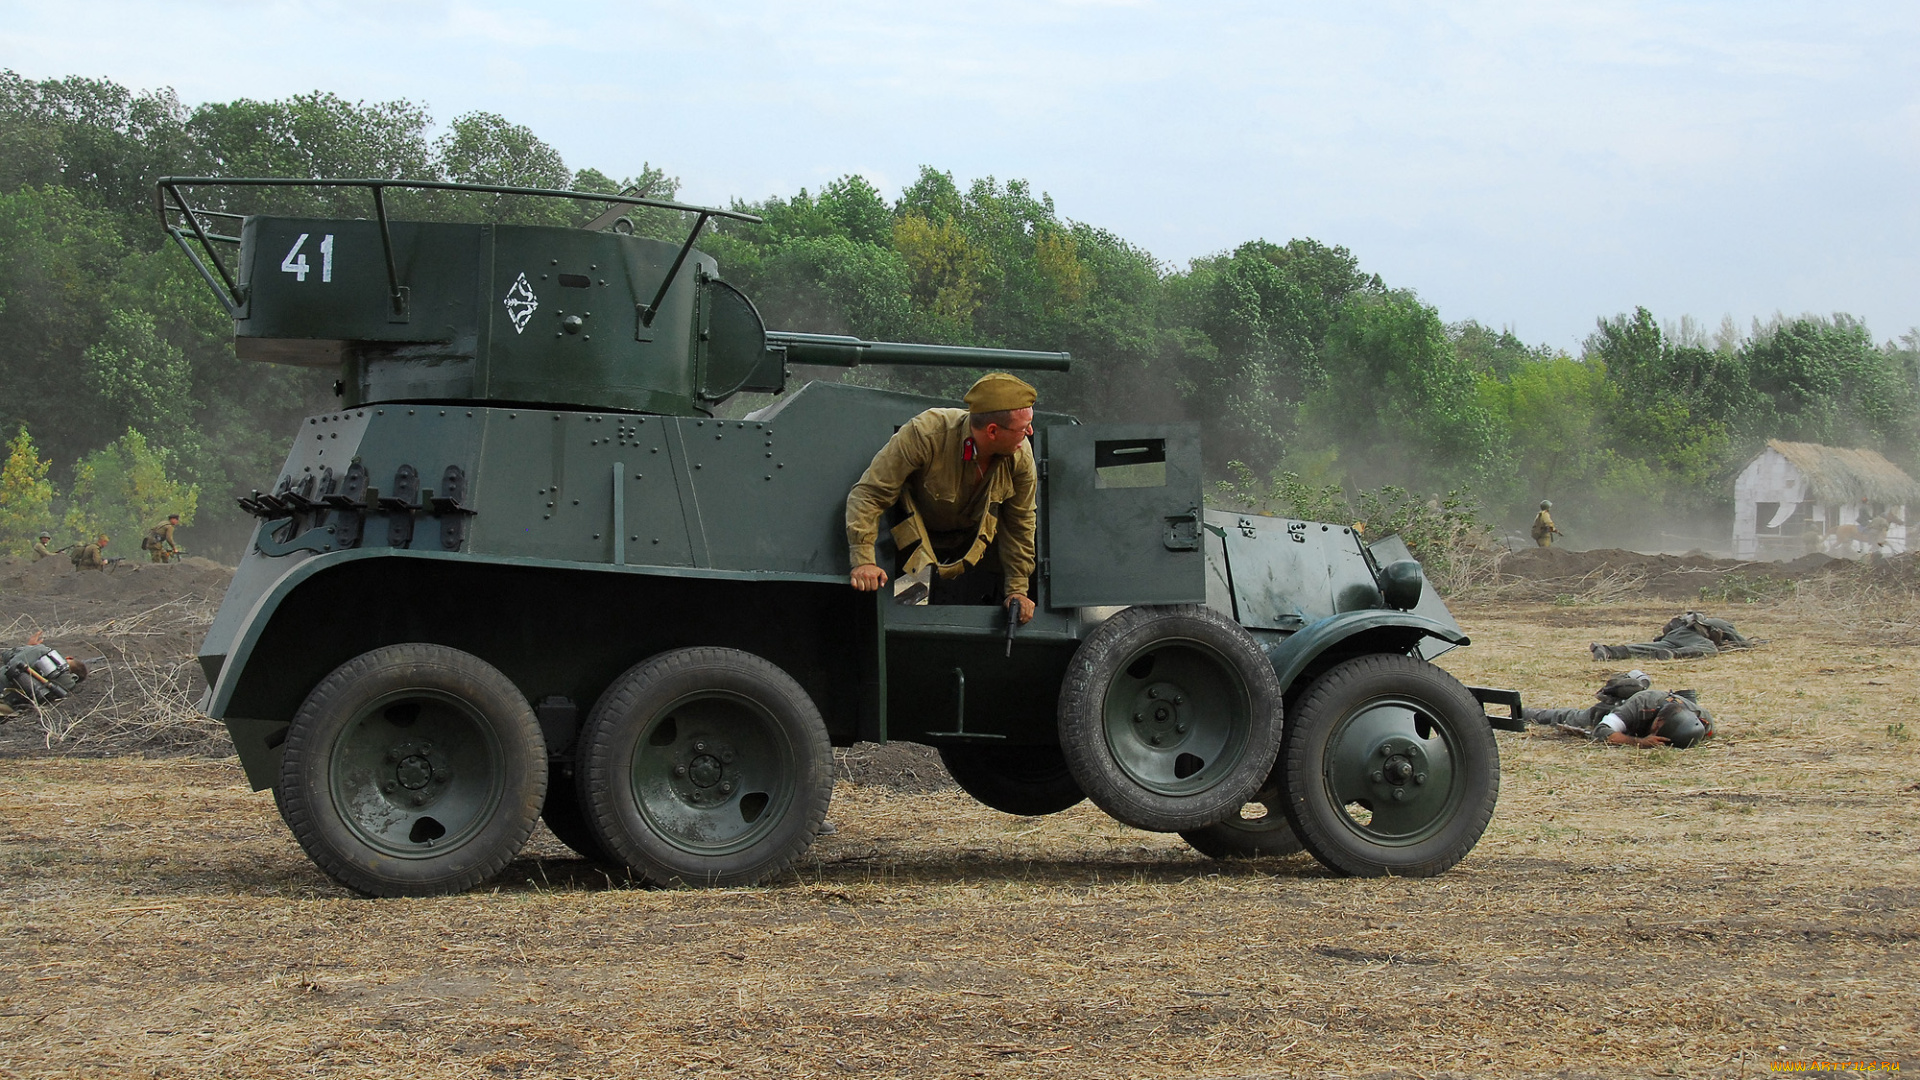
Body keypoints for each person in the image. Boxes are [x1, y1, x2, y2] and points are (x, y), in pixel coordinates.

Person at [845, 372, 1039, 625]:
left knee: (966, 622)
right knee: (908, 623)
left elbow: (1020, 523)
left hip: (975, 550)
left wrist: (1017, 590)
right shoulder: (926, 434)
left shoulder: (1020, 455)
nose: (1030, 432)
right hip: (915, 548)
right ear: (992, 430)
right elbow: (870, 493)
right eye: (1023, 428)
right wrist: (863, 561)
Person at [1590, 611, 1754, 661]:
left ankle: (1608, 650)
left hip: (1674, 637)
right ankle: (1674, 655)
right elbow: (1743, 644)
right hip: (1689, 635)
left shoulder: (1682, 624)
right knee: (1709, 648)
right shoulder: (1720, 623)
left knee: (1648, 648)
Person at [0, 631, 90, 720]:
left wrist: (29, 647)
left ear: (69, 657)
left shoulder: (42, 649)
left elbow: (6, 655)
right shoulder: (65, 684)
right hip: (7, 701)